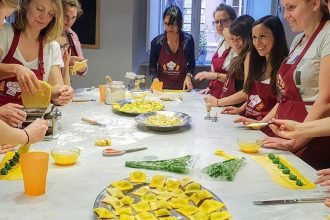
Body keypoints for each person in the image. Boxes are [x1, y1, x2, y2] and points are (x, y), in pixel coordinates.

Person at [236, 0, 330, 170]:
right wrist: (262, 124)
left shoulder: (327, 35)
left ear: (316, 3)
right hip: (287, 131)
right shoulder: (297, 40)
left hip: (310, 139)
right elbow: (284, 98)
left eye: (291, 8)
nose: (286, 15)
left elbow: (325, 101)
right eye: (284, 9)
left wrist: (296, 141)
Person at [0, 0, 74, 106]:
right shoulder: (4, 33)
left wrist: (62, 93)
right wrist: (15, 69)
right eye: (40, 9)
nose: (44, 18)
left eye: (50, 14)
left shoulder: (52, 47)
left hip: (35, 119)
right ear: (25, 4)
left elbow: (55, 87)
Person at [222, 16, 289, 124]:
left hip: (267, 127)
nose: (257, 43)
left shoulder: (284, 67)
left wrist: (261, 123)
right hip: (249, 120)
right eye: (254, 37)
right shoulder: (257, 63)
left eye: (262, 36)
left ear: (277, 37)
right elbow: (255, 96)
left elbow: (283, 102)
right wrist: (241, 109)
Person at [204, 15, 254, 107]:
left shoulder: (249, 56)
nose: (235, 43)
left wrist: (218, 102)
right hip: (233, 105)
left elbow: (246, 92)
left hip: (237, 105)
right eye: (233, 39)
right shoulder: (241, 54)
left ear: (249, 36)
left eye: (239, 38)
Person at [194, 4, 236, 98]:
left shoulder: (236, 46)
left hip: (228, 97)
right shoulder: (221, 42)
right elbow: (215, 69)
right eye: (216, 22)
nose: (219, 25)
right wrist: (211, 88)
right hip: (216, 94)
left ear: (233, 20)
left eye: (223, 21)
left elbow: (236, 80)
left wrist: (211, 75)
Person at [149, 5, 195, 90]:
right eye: (167, 24)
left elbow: (191, 65)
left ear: (180, 23)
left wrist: (188, 76)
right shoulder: (156, 42)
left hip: (182, 88)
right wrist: (155, 79)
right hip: (161, 88)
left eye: (173, 24)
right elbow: (152, 67)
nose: (170, 27)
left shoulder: (188, 40)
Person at [56, 0, 87, 78]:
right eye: (65, 16)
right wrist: (66, 61)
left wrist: (82, 67)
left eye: (73, 17)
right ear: (57, 13)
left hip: (65, 83)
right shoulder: (45, 33)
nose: (69, 21)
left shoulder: (72, 35)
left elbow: (83, 66)